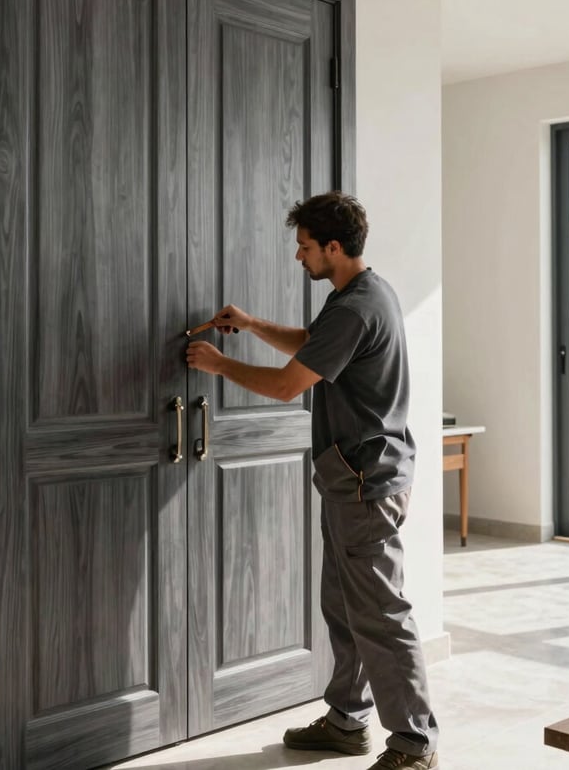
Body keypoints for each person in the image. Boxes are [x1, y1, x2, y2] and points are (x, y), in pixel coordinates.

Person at [186, 191, 439, 770]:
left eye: (304, 247)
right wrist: (249, 325)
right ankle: (348, 720)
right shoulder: (359, 294)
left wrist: (218, 364)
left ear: (333, 246)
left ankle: (414, 745)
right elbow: (313, 347)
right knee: (345, 606)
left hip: (365, 484)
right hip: (351, 480)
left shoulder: (355, 306)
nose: (298, 257)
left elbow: (286, 387)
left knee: (379, 612)